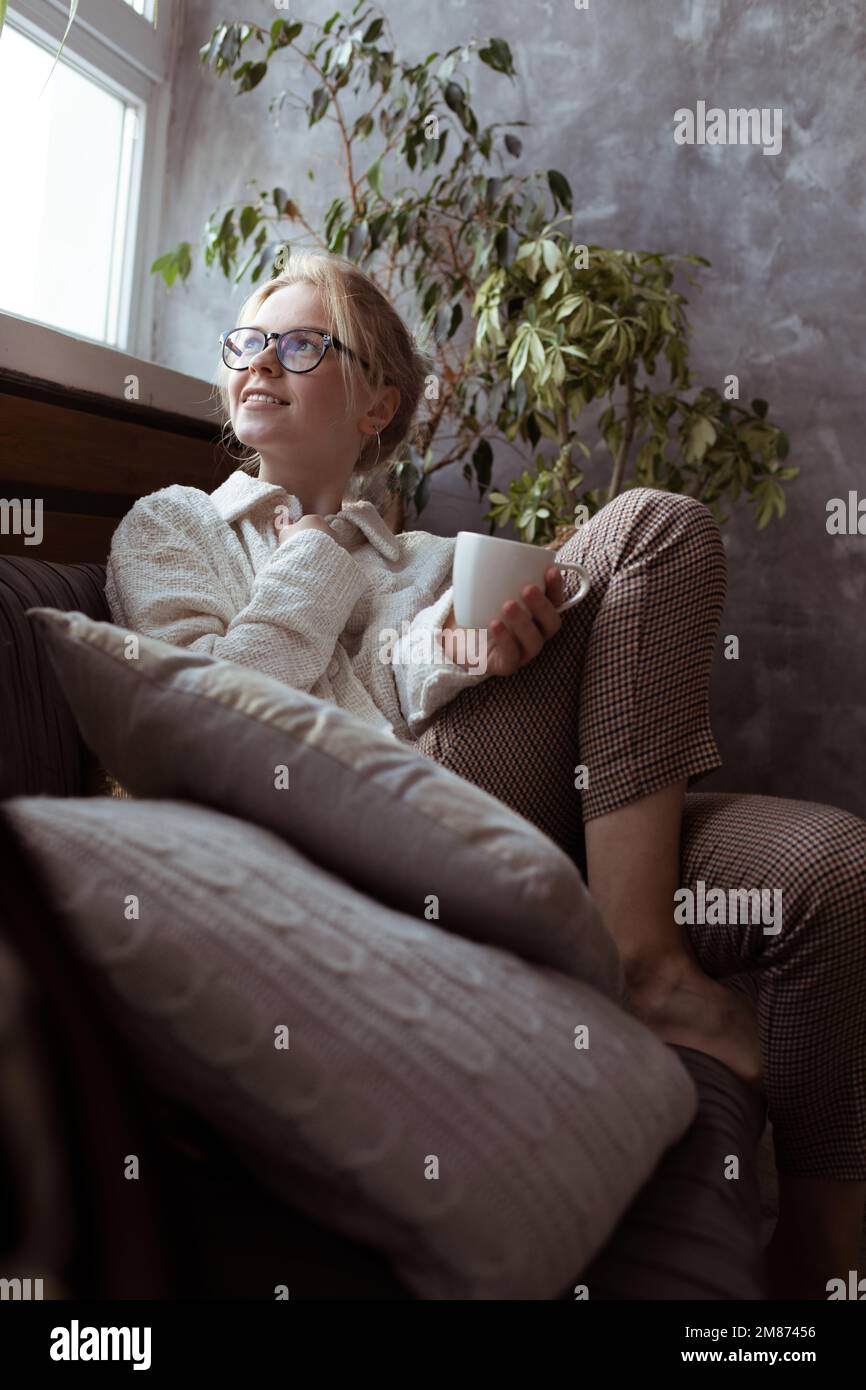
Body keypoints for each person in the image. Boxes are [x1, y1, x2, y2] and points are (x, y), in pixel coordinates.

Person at [105, 249, 865, 1300]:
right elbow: (219, 714)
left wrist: (477, 652)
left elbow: (397, 678)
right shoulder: (173, 526)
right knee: (646, 520)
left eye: (297, 343)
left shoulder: (421, 553)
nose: (257, 363)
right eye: (246, 341)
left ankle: (823, 1265)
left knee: (830, 868)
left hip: (510, 802)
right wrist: (322, 545)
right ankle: (642, 964)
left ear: (377, 401)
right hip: (379, 837)